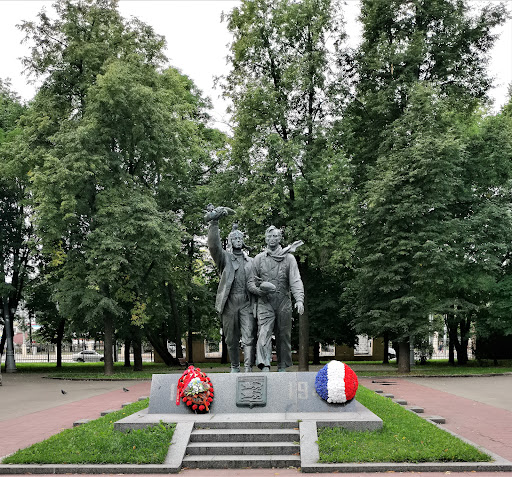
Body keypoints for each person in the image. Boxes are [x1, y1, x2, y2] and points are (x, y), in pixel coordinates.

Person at [206, 205, 256, 373]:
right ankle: (235, 366)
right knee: (231, 338)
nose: (238, 240)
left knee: (249, 337)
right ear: (230, 241)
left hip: (246, 303)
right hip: (229, 303)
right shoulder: (225, 259)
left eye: (240, 238)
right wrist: (214, 223)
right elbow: (213, 246)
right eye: (234, 238)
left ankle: (248, 368)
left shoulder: (251, 262)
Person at [247, 226, 304, 372]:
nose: (272, 239)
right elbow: (250, 283)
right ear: (265, 239)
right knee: (264, 332)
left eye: (275, 236)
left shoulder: (289, 258)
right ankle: (264, 364)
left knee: (284, 335)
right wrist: (259, 291)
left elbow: (295, 279)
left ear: (280, 238)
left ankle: (282, 365)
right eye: (269, 236)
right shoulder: (258, 259)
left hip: (283, 301)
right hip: (265, 302)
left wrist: (299, 299)